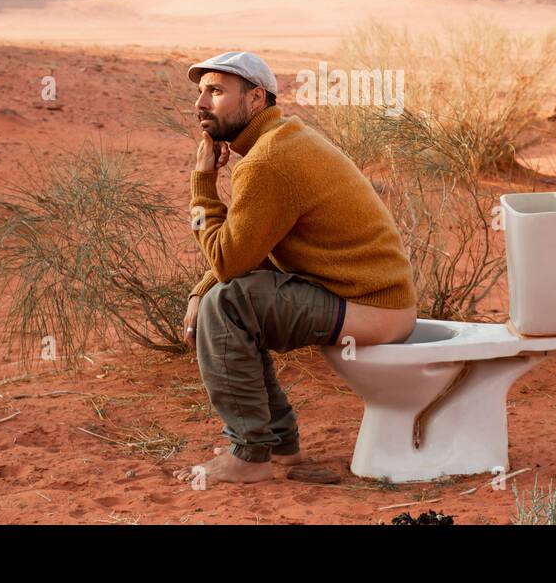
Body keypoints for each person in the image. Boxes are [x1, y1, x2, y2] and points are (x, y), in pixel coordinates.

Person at [172, 50, 417, 484]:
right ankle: (279, 447)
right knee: (229, 296)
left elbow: (229, 262)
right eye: (200, 92)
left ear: (255, 99)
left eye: (216, 91)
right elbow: (250, 253)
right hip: (374, 300)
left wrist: (203, 183)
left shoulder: (268, 161)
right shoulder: (279, 142)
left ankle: (251, 456)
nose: (201, 103)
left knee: (228, 305)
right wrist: (200, 288)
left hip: (374, 309)